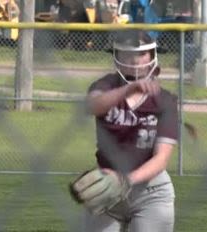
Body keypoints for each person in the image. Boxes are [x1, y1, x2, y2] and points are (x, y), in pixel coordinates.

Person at [69, 30, 178, 232]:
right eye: (127, 54)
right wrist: (128, 90)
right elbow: (92, 106)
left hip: (150, 191)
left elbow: (161, 158)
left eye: (141, 54)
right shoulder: (105, 85)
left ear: (153, 57)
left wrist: (125, 181)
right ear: (116, 59)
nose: (135, 60)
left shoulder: (165, 100)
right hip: (106, 190)